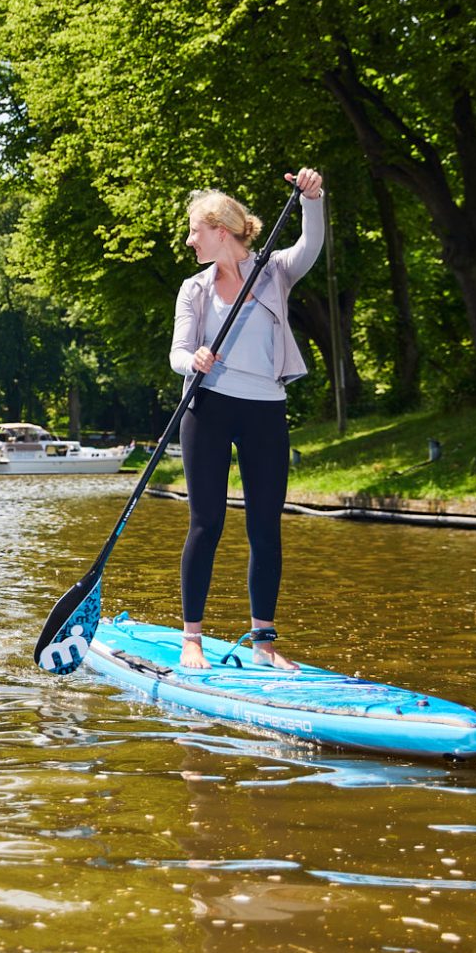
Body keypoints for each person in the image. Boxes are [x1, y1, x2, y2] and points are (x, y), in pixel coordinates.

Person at [169, 168, 326, 671]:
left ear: (220, 229)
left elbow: (311, 244)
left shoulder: (273, 271)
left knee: (265, 527)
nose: (190, 240)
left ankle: (264, 643)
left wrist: (312, 199)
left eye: (195, 230)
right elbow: (177, 351)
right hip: (209, 410)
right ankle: (191, 637)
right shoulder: (193, 289)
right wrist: (192, 360)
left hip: (265, 411)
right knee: (206, 523)